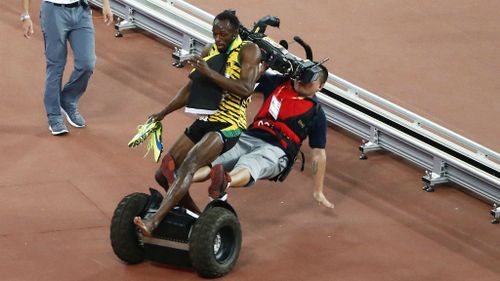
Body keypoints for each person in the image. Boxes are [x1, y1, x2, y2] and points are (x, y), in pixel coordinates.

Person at [134, 10, 261, 236]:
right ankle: (197, 218)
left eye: (223, 35)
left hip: (229, 124)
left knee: (190, 164)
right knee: (164, 173)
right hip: (206, 118)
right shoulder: (208, 51)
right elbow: (190, 89)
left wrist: (210, 74)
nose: (218, 39)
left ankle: (154, 221)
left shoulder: (248, 51)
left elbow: (245, 89)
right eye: (215, 34)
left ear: (234, 32)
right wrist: (162, 113)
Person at [193, 64, 334, 208]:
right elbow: (248, 82)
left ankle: (224, 182)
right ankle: (183, 178)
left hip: (278, 149)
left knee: (251, 163)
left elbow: (318, 154)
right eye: (300, 76)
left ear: (320, 86)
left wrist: (318, 191)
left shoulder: (317, 113)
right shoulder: (279, 83)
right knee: (216, 159)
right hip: (249, 136)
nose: (302, 81)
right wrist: (263, 67)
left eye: (308, 80)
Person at [21, 0, 113, 135]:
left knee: (87, 63)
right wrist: (25, 16)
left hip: (81, 11)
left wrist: (106, 4)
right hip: (54, 12)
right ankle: (54, 116)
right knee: (56, 66)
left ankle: (68, 99)